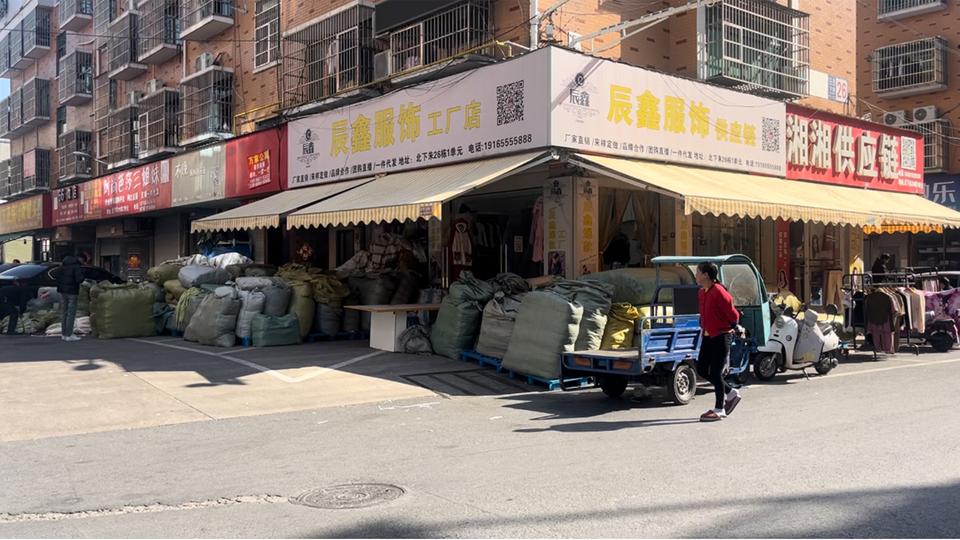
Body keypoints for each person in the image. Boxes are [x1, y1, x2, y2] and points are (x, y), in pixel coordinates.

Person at [695, 262, 742, 422]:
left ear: (706, 275)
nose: (696, 275)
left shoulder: (720, 292)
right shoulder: (702, 293)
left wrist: (732, 326)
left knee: (715, 372)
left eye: (698, 272)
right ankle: (731, 392)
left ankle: (719, 409)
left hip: (721, 336)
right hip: (708, 336)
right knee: (701, 369)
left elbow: (733, 315)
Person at [57, 254, 85, 342]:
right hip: (72, 291)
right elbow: (79, 279)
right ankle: (69, 334)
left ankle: (64, 334)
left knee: (64, 313)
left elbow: (57, 277)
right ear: (79, 259)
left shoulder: (63, 266)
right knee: (71, 313)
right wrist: (83, 276)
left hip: (62, 291)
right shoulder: (76, 267)